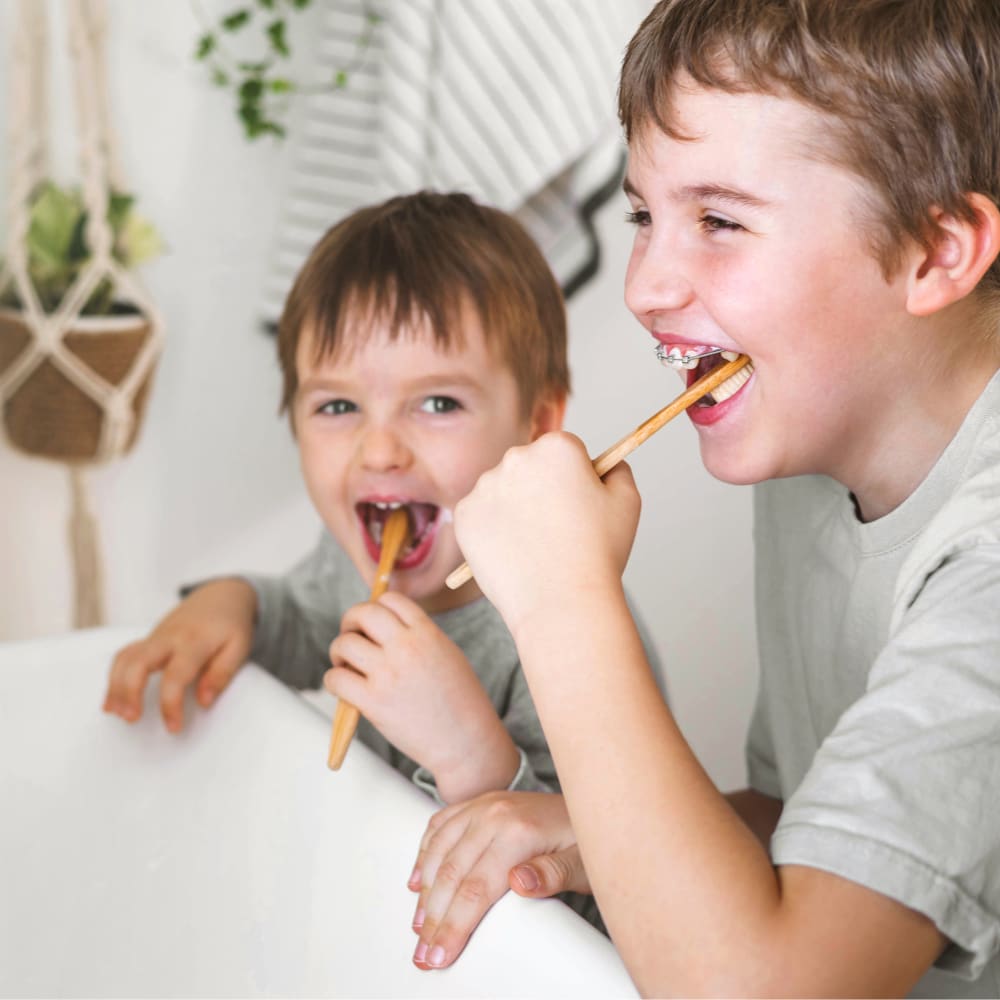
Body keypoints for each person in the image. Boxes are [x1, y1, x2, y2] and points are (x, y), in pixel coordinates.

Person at [407, 1, 1000, 995]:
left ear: (937, 252)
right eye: (645, 215)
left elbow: (771, 984)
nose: (644, 285)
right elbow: (799, 831)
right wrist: (588, 829)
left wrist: (563, 605)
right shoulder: (813, 460)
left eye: (719, 219)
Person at [103, 191, 659, 819]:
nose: (380, 451)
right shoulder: (351, 566)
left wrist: (472, 759)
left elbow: (611, 897)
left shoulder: (576, 634)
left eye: (438, 403)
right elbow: (306, 621)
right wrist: (236, 605)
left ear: (537, 425)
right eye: (338, 407)